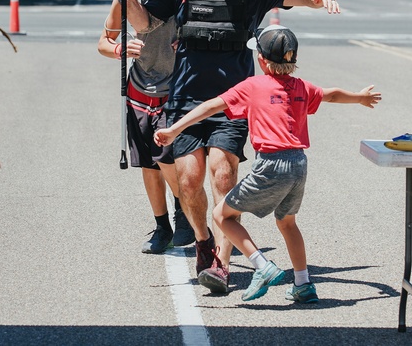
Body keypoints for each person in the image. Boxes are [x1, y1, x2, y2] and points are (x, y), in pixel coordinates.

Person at [113, 0, 340, 294]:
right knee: (189, 182)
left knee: (222, 175)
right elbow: (144, 23)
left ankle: (221, 263)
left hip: (231, 102)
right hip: (185, 98)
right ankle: (203, 240)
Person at [153, 25, 381, 302]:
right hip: (298, 165)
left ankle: (261, 266)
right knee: (287, 223)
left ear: (261, 60)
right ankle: (303, 284)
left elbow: (212, 105)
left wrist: (174, 129)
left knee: (222, 216)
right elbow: (330, 94)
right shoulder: (301, 87)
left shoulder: (253, 86)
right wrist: (360, 98)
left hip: (271, 165)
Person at [97, 0, 193, 253]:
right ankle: (161, 226)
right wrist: (120, 49)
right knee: (149, 165)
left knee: (168, 158)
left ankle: (187, 214)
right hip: (139, 92)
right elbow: (103, 42)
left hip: (176, 91)